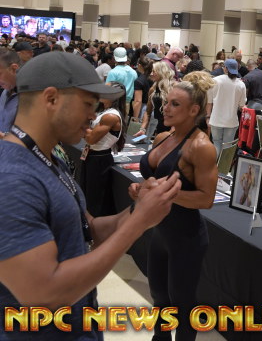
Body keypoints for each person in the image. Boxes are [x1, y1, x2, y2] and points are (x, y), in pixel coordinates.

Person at [0, 52, 181, 336]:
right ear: (51, 99)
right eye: (87, 104)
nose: (92, 116)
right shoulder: (12, 178)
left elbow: (90, 228)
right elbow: (44, 296)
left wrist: (139, 209)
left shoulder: (48, 159)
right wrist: (137, 224)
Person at [138, 78, 217, 341]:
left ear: (194, 110)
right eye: (166, 102)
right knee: (159, 298)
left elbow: (206, 199)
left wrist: (161, 193)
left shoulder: (201, 147)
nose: (165, 108)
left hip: (186, 237)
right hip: (160, 232)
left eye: (174, 104)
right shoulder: (164, 137)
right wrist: (143, 189)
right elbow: (153, 179)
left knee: (182, 305)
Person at [80, 81, 127, 217]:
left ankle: (94, 225)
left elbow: (91, 139)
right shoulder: (103, 111)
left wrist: (80, 124)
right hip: (91, 155)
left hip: (99, 159)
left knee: (95, 198)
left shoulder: (111, 116)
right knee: (86, 193)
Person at [206, 58, 247, 155]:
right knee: (227, 147)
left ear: (225, 68)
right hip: (231, 121)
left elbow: (209, 102)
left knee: (216, 143)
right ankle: (224, 165)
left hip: (215, 120)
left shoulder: (214, 81)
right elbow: (242, 105)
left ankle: (215, 164)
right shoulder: (241, 84)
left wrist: (208, 117)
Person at [137, 60, 176, 139]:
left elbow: (181, 112)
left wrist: (173, 130)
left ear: (162, 72)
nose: (151, 74)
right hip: (160, 127)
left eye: (154, 71)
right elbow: (148, 112)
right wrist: (143, 129)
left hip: (174, 129)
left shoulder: (175, 87)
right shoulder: (153, 89)